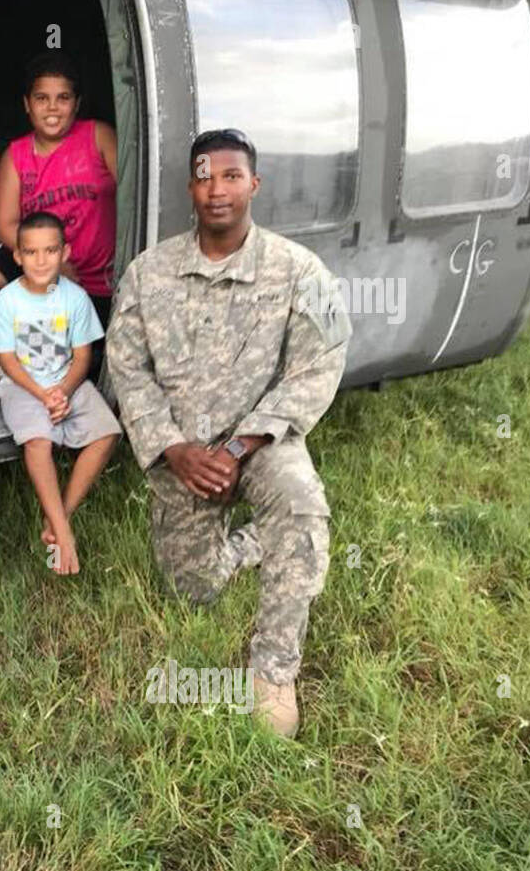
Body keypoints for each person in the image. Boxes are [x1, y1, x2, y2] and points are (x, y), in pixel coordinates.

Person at [106, 129, 352, 738]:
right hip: (182, 452)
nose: (218, 188)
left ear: (254, 184)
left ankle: (273, 671)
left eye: (232, 175)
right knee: (194, 588)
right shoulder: (149, 272)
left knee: (301, 507)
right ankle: (246, 547)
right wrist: (175, 449)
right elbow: (127, 367)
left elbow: (319, 365)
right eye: (204, 175)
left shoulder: (298, 271)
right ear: (190, 186)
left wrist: (243, 446)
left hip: (264, 445)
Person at [0, 52, 117, 400]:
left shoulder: (98, 136)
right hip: (43, 275)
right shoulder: (17, 154)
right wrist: (50, 264)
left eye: (63, 98)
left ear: (77, 103)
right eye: (42, 98)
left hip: (99, 282)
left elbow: (135, 195)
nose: (52, 108)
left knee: (89, 361)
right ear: (27, 104)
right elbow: (4, 224)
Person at [0, 212, 121, 576]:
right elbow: (7, 359)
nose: (41, 260)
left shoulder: (76, 298)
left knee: (108, 432)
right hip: (21, 384)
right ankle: (63, 534)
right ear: (17, 256)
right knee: (38, 441)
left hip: (66, 382)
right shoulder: (7, 300)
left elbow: (83, 356)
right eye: (31, 253)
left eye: (50, 251)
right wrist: (42, 394)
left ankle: (61, 514)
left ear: (65, 252)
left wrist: (62, 390)